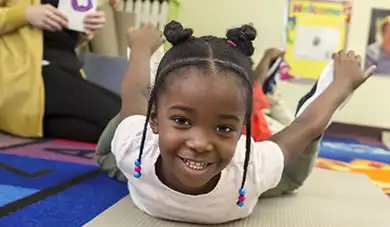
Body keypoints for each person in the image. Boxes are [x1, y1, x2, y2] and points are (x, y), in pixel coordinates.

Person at [110, 21, 375, 224]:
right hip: (139, 164)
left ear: (241, 131)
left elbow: (304, 127)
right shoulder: (134, 148)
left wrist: (340, 86)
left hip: (240, 187)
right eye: (181, 120)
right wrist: (141, 49)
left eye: (224, 128)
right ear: (154, 119)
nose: (200, 144)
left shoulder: (251, 169)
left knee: (293, 176)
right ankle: (160, 76)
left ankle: (283, 95)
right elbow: (135, 94)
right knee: (109, 143)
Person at [0, 0, 121, 143]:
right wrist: (25, 14)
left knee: (121, 123)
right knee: (122, 120)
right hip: (29, 74)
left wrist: (85, 26)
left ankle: (24, 121)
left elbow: (62, 39)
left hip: (66, 68)